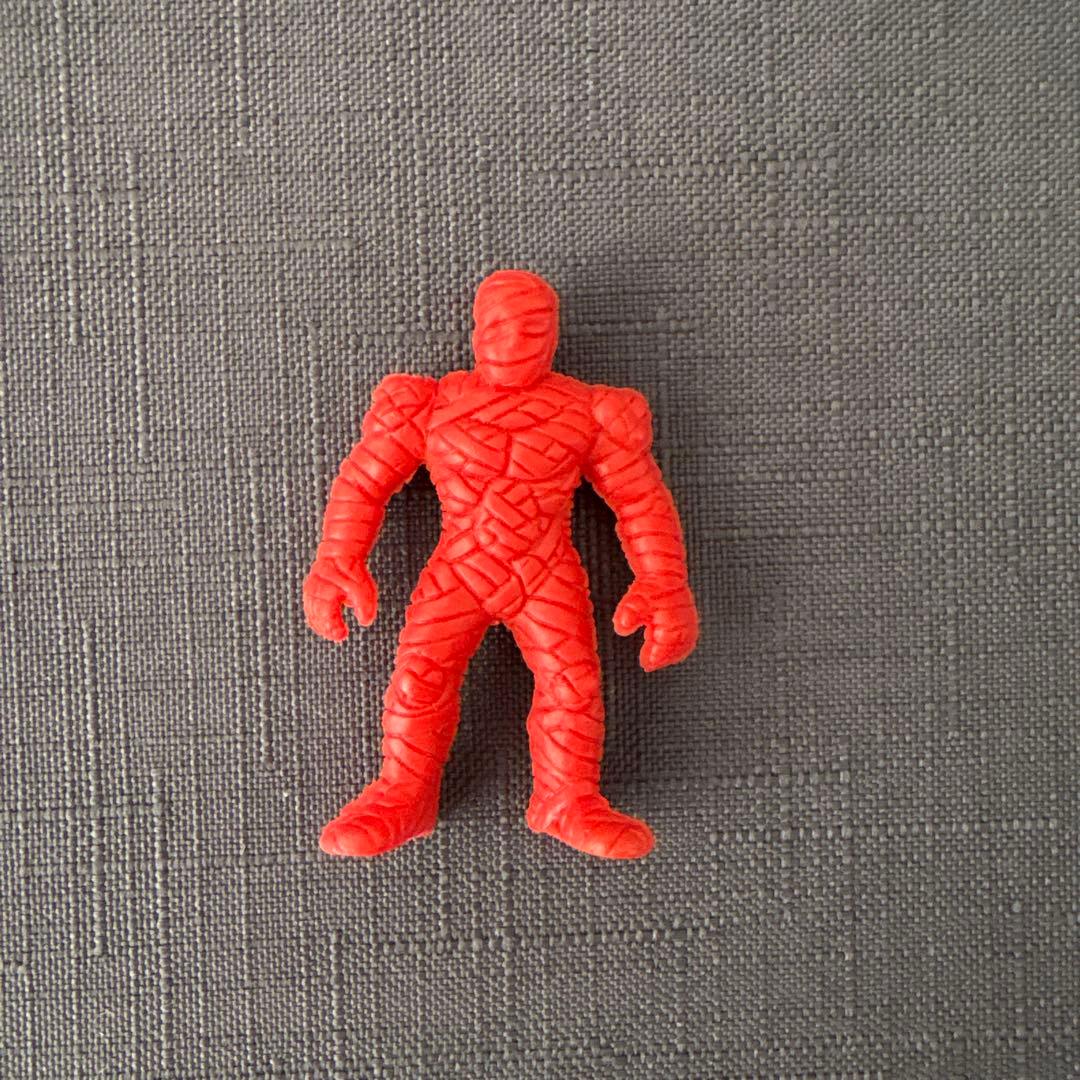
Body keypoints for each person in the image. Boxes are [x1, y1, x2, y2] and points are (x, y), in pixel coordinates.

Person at [304, 270, 699, 859]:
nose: (513, 343)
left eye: (531, 329)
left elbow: (639, 498)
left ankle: (568, 799)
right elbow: (365, 481)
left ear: (553, 337)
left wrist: (664, 580)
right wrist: (338, 558)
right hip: (461, 565)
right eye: (497, 327)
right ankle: (403, 794)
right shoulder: (429, 406)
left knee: (572, 683)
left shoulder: (589, 413)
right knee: (418, 677)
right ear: (476, 331)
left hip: (545, 569)